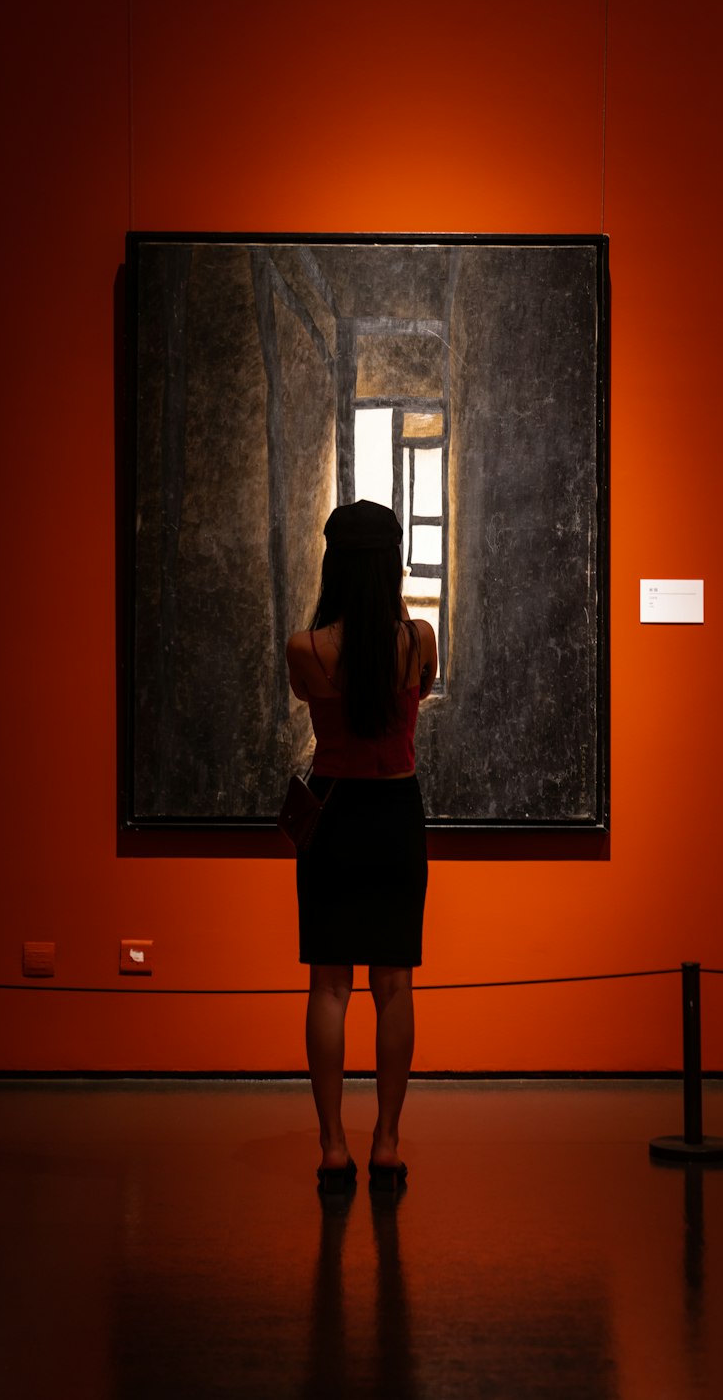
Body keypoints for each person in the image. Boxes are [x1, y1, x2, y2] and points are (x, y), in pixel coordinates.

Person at [286, 499, 437, 1195]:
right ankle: (387, 1143)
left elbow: (311, 701)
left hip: (337, 813)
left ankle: (330, 1148)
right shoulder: (420, 640)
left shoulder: (308, 649)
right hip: (397, 812)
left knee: (328, 983)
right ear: (393, 563)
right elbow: (418, 695)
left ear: (334, 564)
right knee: (396, 982)